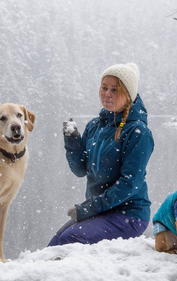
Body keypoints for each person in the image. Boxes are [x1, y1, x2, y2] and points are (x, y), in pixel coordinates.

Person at [48, 63, 154, 246]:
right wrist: (72, 141)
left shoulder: (138, 132)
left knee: (70, 240)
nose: (107, 93)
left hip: (129, 214)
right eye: (104, 88)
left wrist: (88, 208)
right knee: (56, 242)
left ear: (129, 95)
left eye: (115, 90)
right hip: (100, 211)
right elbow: (80, 170)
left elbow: (129, 184)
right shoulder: (95, 125)